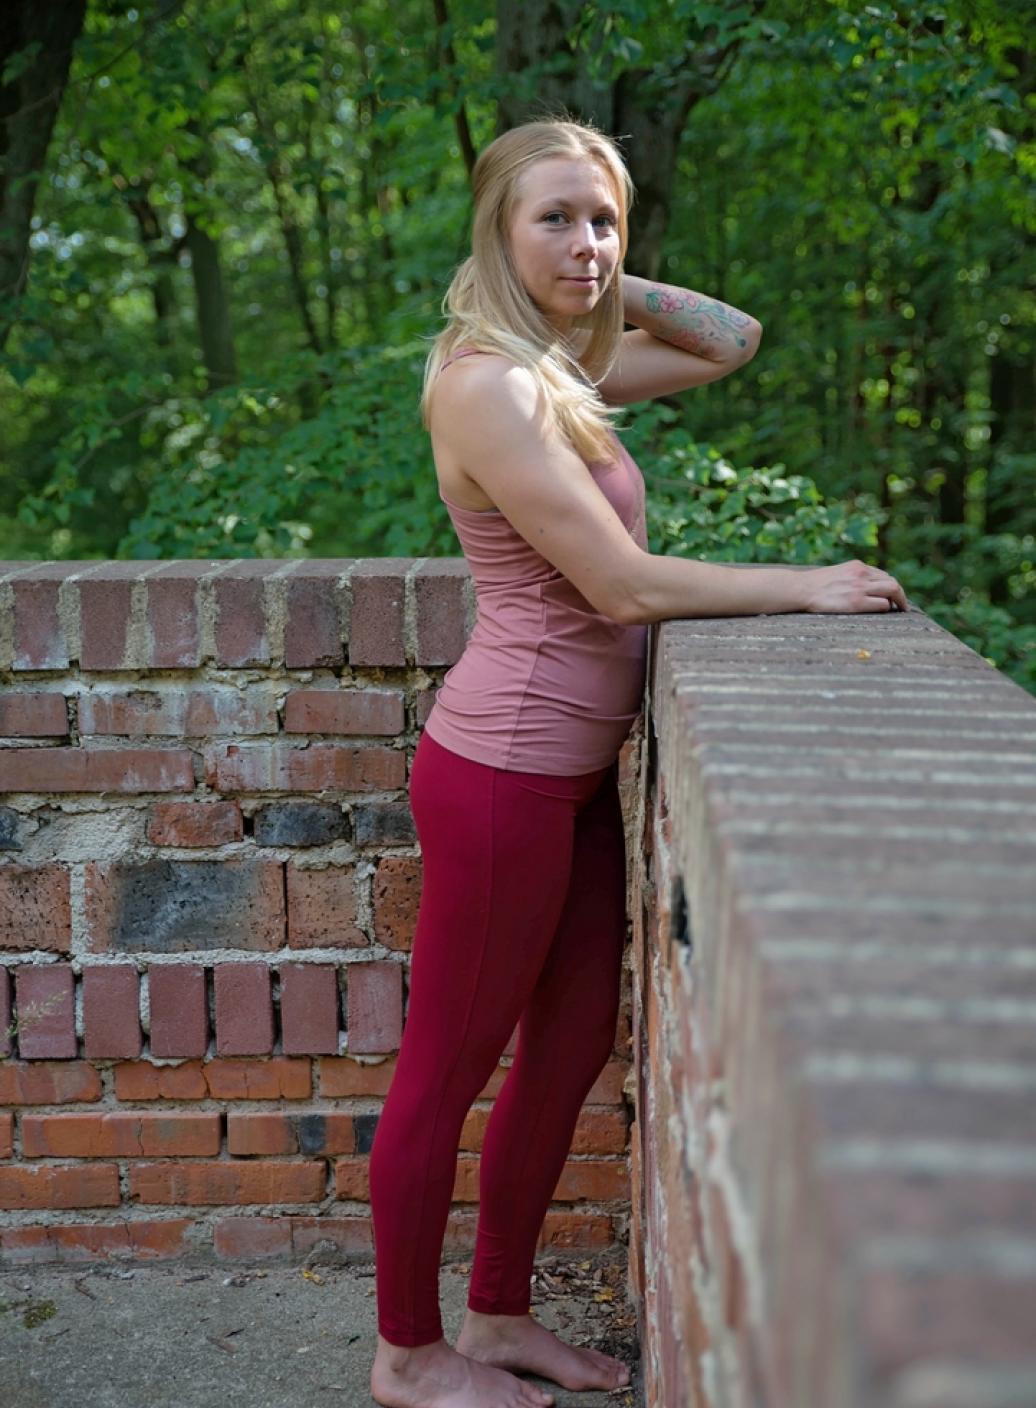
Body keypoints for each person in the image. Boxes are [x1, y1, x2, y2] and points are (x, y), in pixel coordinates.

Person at [368, 116, 907, 1408]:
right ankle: (408, 1353)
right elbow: (617, 586)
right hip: (500, 775)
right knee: (445, 1071)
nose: (588, 243)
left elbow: (732, 341)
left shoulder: (560, 363)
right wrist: (803, 586)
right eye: (553, 218)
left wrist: (594, 271)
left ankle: (498, 1316)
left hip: (570, 780)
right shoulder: (489, 385)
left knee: (567, 1052)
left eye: (604, 219)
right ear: (494, 232)